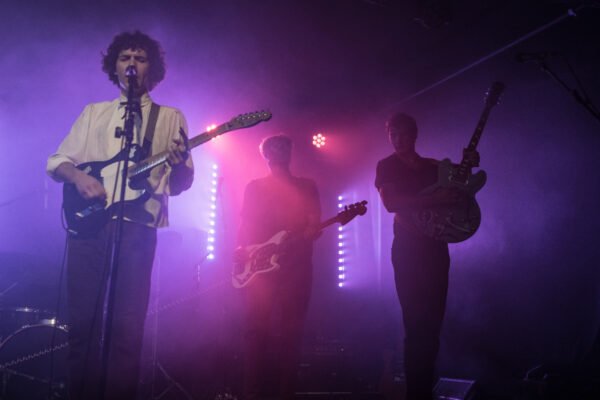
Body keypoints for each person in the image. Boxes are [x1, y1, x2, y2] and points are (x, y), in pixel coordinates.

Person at [46, 30, 194, 400]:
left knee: (127, 331)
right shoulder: (94, 113)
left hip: (137, 230)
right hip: (89, 228)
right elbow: (58, 161)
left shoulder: (169, 116)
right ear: (114, 67)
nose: (132, 64)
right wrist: (80, 178)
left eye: (140, 59)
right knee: (82, 326)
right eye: (125, 57)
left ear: (151, 69)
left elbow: (181, 183)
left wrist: (178, 165)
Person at [374, 112, 479, 400]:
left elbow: (459, 188)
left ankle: (424, 391)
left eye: (403, 134)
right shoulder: (387, 165)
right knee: (415, 323)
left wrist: (469, 163)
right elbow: (391, 203)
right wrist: (434, 199)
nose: (398, 140)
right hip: (408, 251)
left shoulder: (434, 167)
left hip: (435, 249)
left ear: (414, 135)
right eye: (393, 134)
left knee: (432, 326)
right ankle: (416, 394)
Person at [235, 135, 321, 400]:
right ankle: (252, 394)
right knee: (255, 332)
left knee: (291, 334)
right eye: (274, 148)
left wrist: (311, 231)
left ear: (290, 152)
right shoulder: (255, 187)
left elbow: (314, 224)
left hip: (296, 268)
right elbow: (245, 225)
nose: (280, 152)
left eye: (284, 147)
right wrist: (241, 251)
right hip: (260, 269)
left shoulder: (307, 186)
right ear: (266, 155)